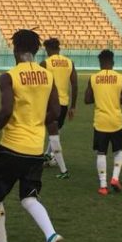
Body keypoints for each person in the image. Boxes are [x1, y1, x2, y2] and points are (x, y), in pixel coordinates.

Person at [0, 29, 64, 242]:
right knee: (29, 197)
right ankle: (51, 235)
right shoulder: (47, 76)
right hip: (35, 148)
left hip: (12, 146)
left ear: (15, 49)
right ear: (36, 50)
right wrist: (37, 121)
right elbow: (56, 113)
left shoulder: (9, 76)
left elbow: (7, 110)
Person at [85, 49, 122, 195]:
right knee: (119, 150)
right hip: (116, 121)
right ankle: (115, 178)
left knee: (101, 152)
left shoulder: (93, 78)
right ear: (113, 62)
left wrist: (99, 97)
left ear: (100, 62)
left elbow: (87, 100)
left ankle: (103, 185)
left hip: (100, 121)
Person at [39, 38, 77, 179]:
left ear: (48, 49)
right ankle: (48, 156)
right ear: (59, 48)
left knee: (53, 134)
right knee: (55, 131)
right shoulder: (69, 63)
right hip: (64, 103)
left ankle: (63, 169)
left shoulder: (45, 63)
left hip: (49, 103)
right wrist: (73, 106)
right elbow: (75, 85)